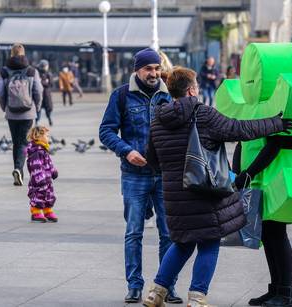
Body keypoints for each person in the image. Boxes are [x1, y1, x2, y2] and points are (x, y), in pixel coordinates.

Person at [143, 67, 292, 307]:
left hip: (174, 194)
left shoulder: (158, 120)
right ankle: (197, 297)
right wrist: (276, 123)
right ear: (192, 90)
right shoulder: (203, 114)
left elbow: (152, 160)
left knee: (182, 243)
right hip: (205, 191)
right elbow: (239, 130)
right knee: (209, 242)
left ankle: (155, 293)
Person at [99, 48, 182, 304]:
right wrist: (126, 151)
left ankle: (166, 285)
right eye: (148, 69)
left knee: (168, 233)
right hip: (134, 175)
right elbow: (106, 131)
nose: (154, 73)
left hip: (165, 174)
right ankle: (134, 284)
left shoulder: (169, 95)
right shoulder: (122, 95)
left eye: (157, 68)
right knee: (134, 232)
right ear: (137, 70)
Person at [0, 43, 43, 186]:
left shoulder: (4, 72)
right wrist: (37, 107)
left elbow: (0, 92)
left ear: (11, 54)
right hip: (28, 113)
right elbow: (38, 91)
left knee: (16, 143)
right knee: (23, 142)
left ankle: (18, 171)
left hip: (12, 113)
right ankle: (18, 169)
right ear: (24, 54)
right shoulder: (31, 71)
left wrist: (5, 107)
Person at [26, 126, 58, 223]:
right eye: (46, 136)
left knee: (49, 195)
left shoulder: (43, 150)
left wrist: (53, 171)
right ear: (38, 137)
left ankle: (47, 210)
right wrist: (40, 178)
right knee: (38, 195)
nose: (48, 138)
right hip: (39, 181)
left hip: (47, 180)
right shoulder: (36, 152)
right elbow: (36, 166)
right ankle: (35, 212)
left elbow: (49, 163)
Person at [36, 60, 54, 126]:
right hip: (40, 94)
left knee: (48, 109)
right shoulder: (37, 73)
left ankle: (49, 119)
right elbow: (38, 83)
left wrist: (44, 82)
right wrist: (45, 82)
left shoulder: (48, 73)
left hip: (46, 94)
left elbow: (51, 83)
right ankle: (36, 121)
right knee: (38, 109)